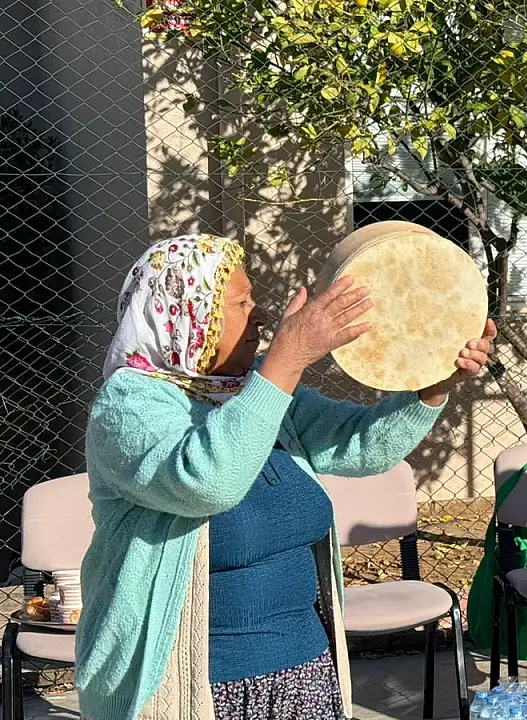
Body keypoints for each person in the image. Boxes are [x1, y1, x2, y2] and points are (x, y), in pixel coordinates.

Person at [74, 234, 496, 720]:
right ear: (187, 313)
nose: (259, 315)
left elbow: (361, 446)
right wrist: (287, 359)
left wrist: (433, 387)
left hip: (303, 668)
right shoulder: (129, 405)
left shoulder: (252, 388)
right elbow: (208, 481)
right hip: (192, 683)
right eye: (240, 303)